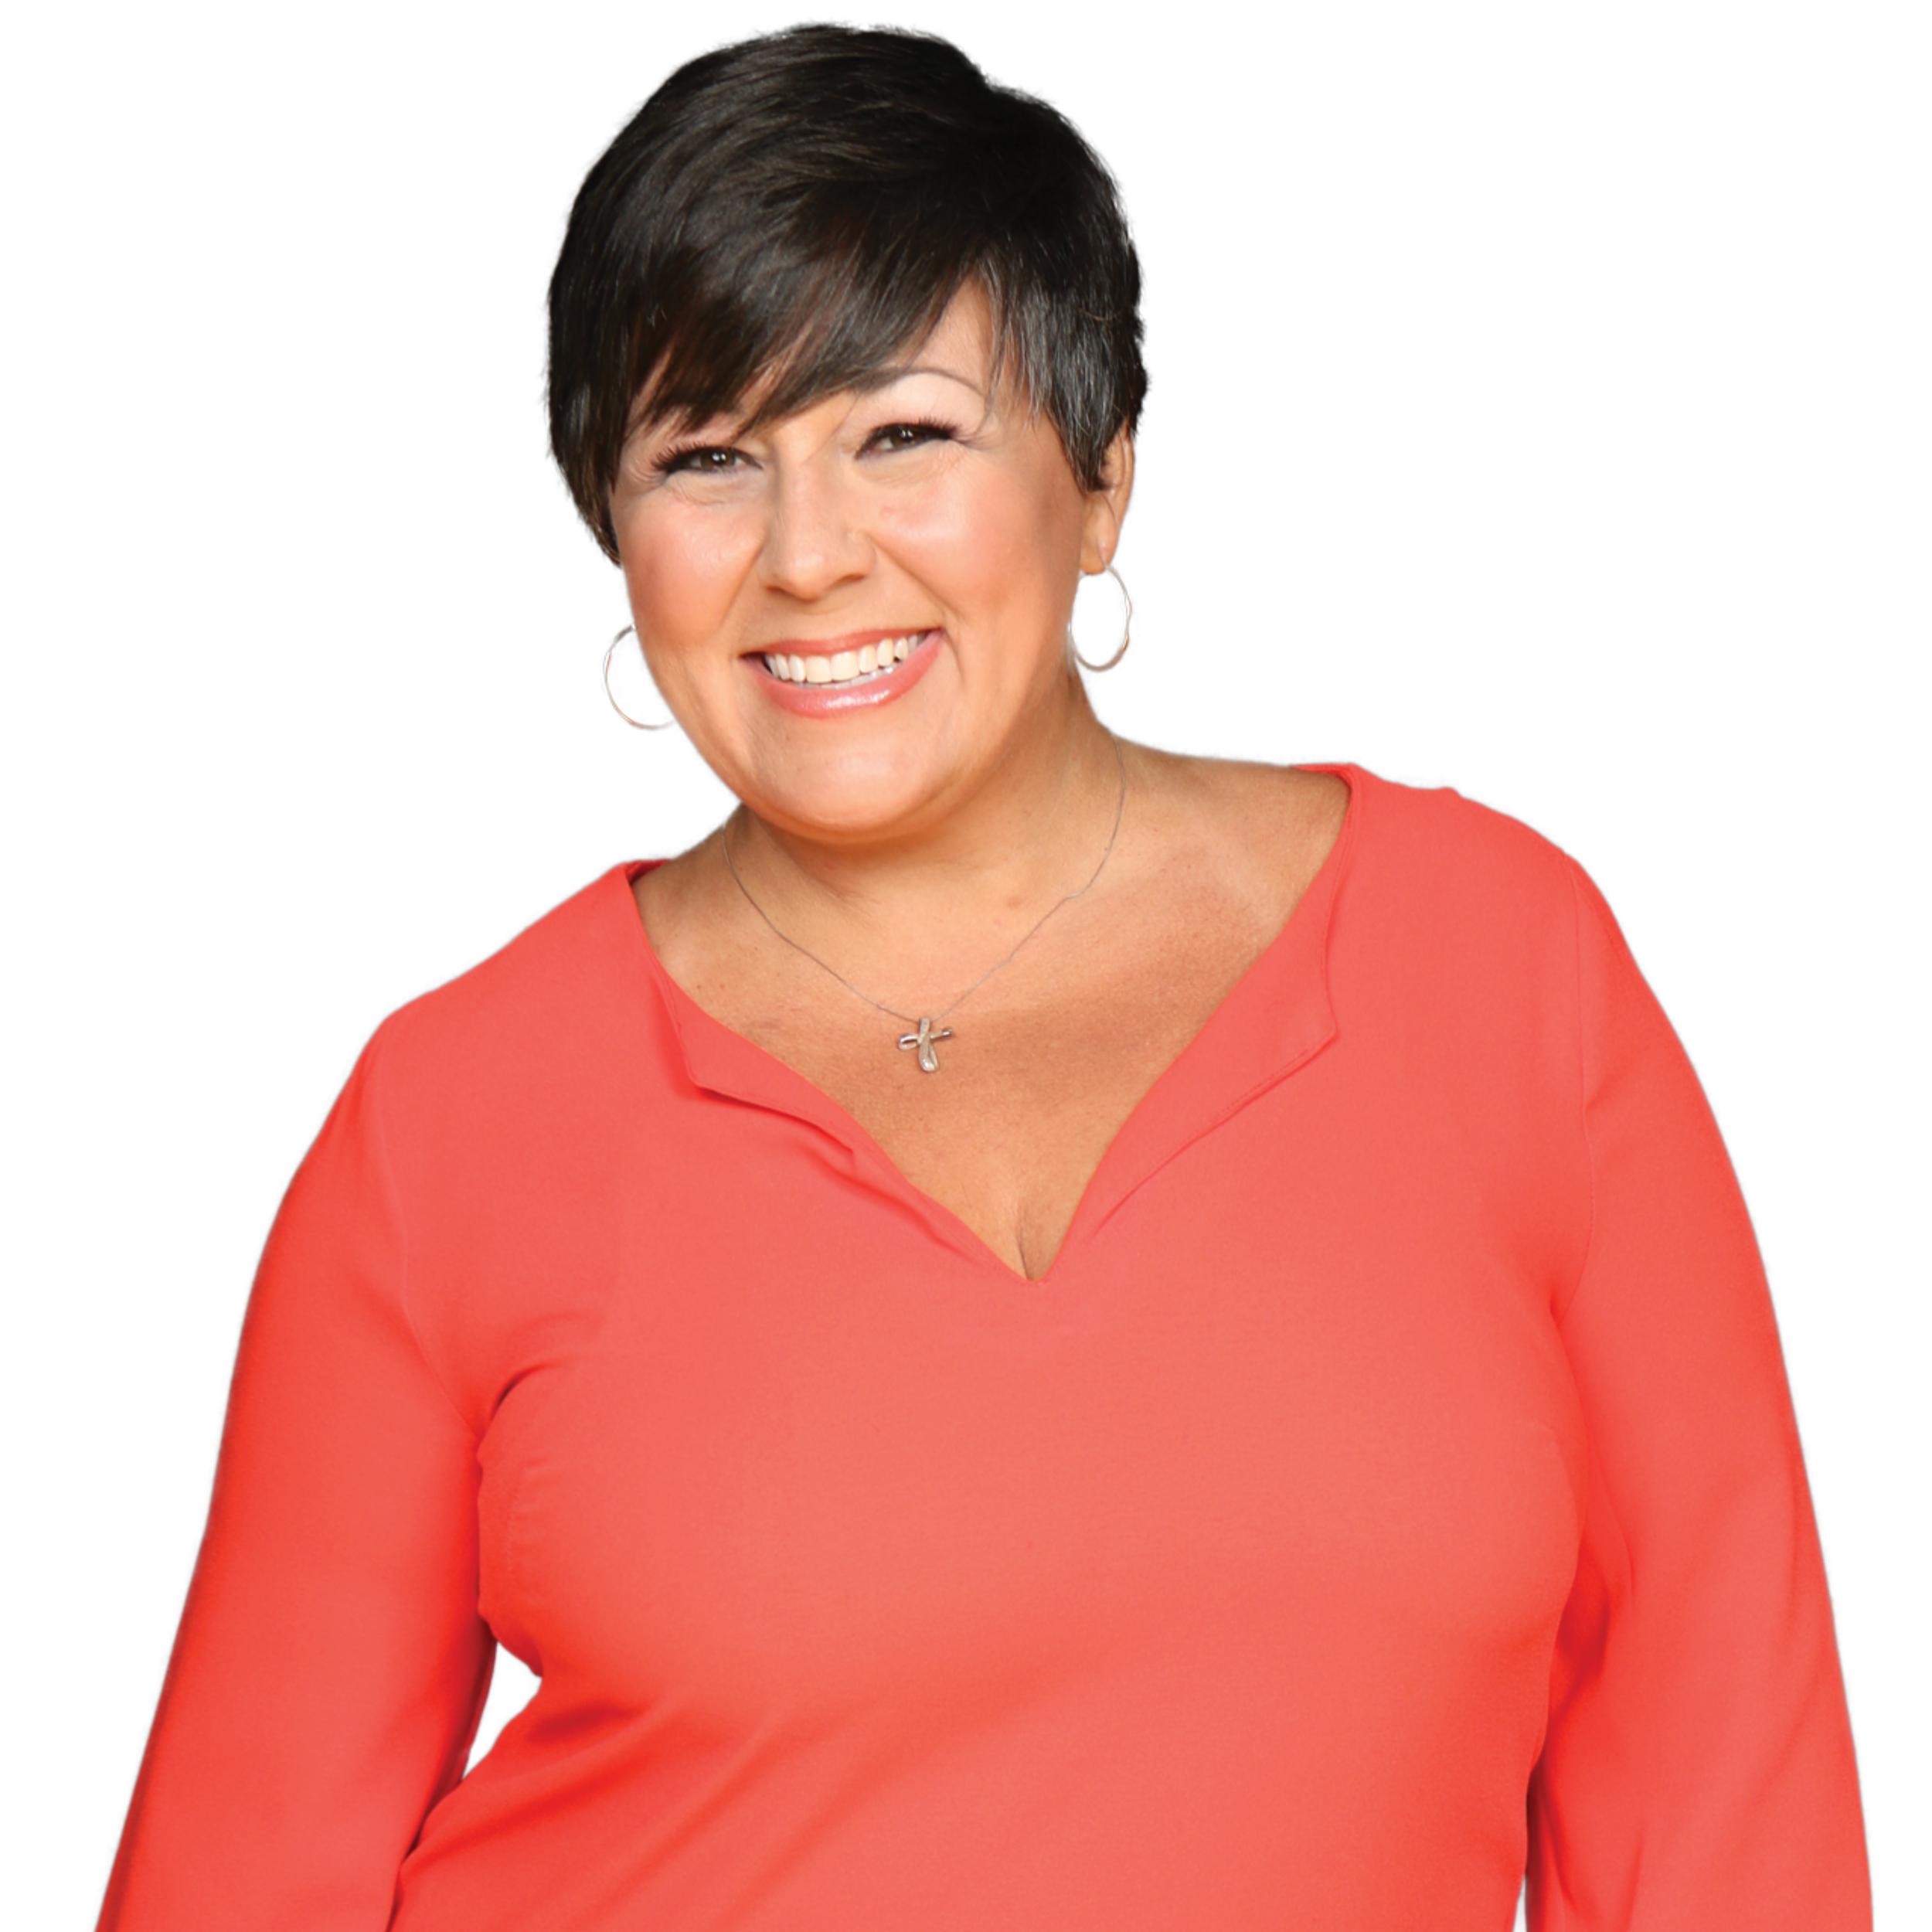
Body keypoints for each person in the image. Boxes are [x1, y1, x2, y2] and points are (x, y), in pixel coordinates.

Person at [97, 24, 1869, 1931]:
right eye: (706, 457)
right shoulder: (449, 1118)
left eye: (903, 436)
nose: (805, 555)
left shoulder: (1500, 974)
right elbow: (236, 1875)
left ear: (1098, 476)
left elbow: (1725, 1814)